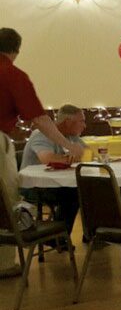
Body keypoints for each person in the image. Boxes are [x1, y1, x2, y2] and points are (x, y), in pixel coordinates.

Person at [1, 27, 85, 275]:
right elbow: (38, 118)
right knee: (4, 203)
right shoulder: (13, 74)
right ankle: (4, 264)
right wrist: (69, 146)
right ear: (16, 50)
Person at [19, 104, 87, 236]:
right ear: (68, 122)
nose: (85, 126)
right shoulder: (41, 134)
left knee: (89, 189)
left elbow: (90, 154)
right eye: (82, 121)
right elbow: (47, 159)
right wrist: (72, 158)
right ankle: (57, 237)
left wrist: (81, 153)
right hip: (34, 187)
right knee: (74, 194)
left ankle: (91, 235)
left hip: (58, 183)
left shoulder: (71, 137)